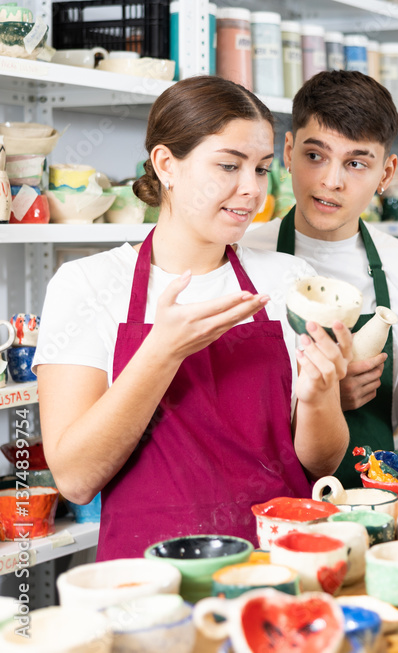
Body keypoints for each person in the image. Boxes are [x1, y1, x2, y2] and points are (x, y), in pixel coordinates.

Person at [34, 76, 353, 560]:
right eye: (229, 165)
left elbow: (319, 461)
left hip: (281, 561)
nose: (251, 190)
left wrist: (318, 396)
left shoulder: (290, 280)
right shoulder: (87, 285)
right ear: (167, 165)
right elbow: (76, 480)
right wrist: (161, 352)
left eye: (263, 169)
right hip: (151, 575)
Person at [242, 70, 398, 488]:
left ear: (386, 173)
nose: (331, 181)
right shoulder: (244, 257)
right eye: (314, 156)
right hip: (270, 509)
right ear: (288, 152)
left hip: (373, 507)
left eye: (356, 163)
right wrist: (322, 402)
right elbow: (219, 422)